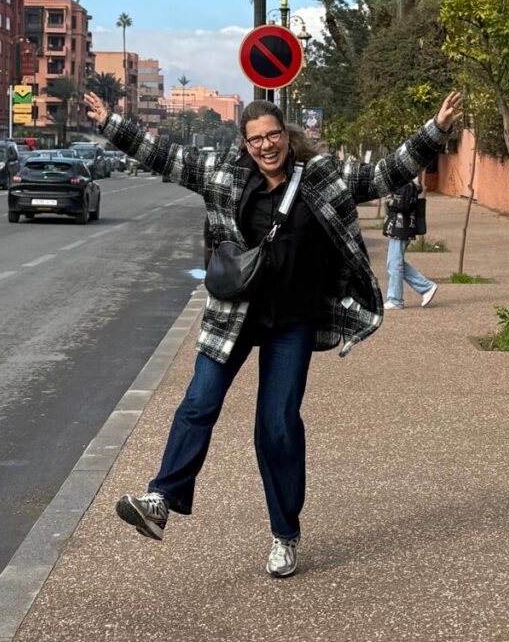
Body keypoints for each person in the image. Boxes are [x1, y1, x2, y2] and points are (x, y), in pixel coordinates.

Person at [83, 88, 463, 578]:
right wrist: (111, 121)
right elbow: (165, 156)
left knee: (277, 425)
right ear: (244, 144)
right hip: (235, 315)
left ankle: (285, 534)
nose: (266, 145)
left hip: (294, 322)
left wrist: (436, 129)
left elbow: (382, 173)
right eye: (256, 139)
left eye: (274, 135)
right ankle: (161, 499)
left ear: (288, 136)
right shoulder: (224, 177)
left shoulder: (322, 176)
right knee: (199, 402)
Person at [383, 174, 438, 309]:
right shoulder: (407, 184)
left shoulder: (406, 184)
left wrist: (388, 198)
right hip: (399, 228)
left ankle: (396, 299)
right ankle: (426, 287)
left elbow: (401, 205)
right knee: (396, 262)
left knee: (394, 263)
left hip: (401, 228)